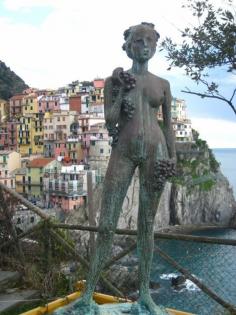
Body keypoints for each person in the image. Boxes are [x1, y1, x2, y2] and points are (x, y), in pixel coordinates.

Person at [62, 22, 175, 315]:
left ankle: (146, 299)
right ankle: (88, 295)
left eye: (149, 41)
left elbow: (169, 126)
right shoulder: (115, 82)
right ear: (128, 46)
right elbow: (111, 120)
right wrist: (122, 92)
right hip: (123, 151)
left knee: (147, 226)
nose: (145, 46)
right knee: (107, 224)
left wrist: (172, 157)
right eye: (139, 41)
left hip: (157, 152)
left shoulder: (162, 84)